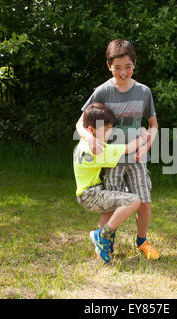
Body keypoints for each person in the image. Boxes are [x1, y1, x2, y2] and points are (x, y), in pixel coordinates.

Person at [75, 39, 160, 260]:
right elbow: (80, 123)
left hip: (137, 156)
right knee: (112, 202)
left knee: (144, 202)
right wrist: (89, 138)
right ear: (108, 66)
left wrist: (147, 145)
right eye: (117, 67)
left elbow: (153, 126)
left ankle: (142, 241)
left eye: (128, 66)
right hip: (111, 158)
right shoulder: (102, 91)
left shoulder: (144, 92)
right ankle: (105, 242)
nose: (123, 72)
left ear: (135, 64)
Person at [74, 102, 149, 263]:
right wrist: (143, 136)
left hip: (88, 191)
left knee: (117, 201)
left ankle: (103, 249)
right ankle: (102, 235)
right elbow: (129, 148)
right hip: (90, 194)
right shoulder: (96, 149)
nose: (109, 133)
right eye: (106, 130)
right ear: (91, 130)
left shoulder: (84, 141)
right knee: (134, 200)